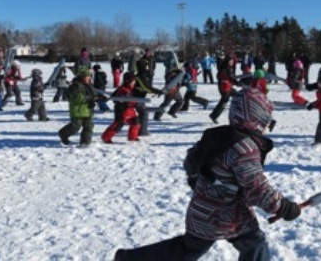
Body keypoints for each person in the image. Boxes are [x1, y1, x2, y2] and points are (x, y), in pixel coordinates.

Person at [114, 88, 301, 260]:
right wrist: (284, 207)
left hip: (204, 207)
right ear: (257, 117)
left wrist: (198, 183)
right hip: (224, 214)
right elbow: (257, 189)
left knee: (189, 248)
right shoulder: (245, 148)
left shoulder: (220, 136)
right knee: (254, 244)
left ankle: (129, 259)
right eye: (267, 120)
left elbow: (191, 162)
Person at [58, 66, 97, 148]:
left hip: (88, 109)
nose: (89, 78)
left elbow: (93, 94)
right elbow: (77, 98)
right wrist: (90, 98)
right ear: (82, 77)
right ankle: (63, 133)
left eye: (89, 77)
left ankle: (85, 142)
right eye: (87, 77)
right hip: (78, 110)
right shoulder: (75, 86)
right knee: (76, 126)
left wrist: (99, 97)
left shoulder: (88, 85)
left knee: (89, 126)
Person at [101, 72, 140, 143]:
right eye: (133, 81)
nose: (134, 82)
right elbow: (115, 98)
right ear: (127, 81)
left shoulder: (132, 88)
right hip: (122, 109)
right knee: (118, 124)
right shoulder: (122, 89)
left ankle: (132, 137)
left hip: (130, 109)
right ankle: (106, 137)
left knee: (135, 122)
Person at [133, 54, 164, 135]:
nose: (148, 68)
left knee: (142, 113)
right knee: (143, 113)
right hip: (137, 98)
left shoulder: (139, 75)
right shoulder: (141, 76)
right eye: (147, 67)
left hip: (138, 97)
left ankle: (140, 130)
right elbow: (147, 87)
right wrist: (157, 91)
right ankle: (142, 132)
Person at [209, 56, 238, 124]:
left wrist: (233, 81)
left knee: (237, 95)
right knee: (223, 102)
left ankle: (214, 115)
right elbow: (230, 77)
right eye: (230, 61)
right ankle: (214, 115)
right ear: (227, 62)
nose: (232, 62)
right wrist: (237, 83)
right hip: (225, 88)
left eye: (232, 61)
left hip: (227, 87)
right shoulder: (226, 68)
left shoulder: (225, 68)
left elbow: (229, 78)